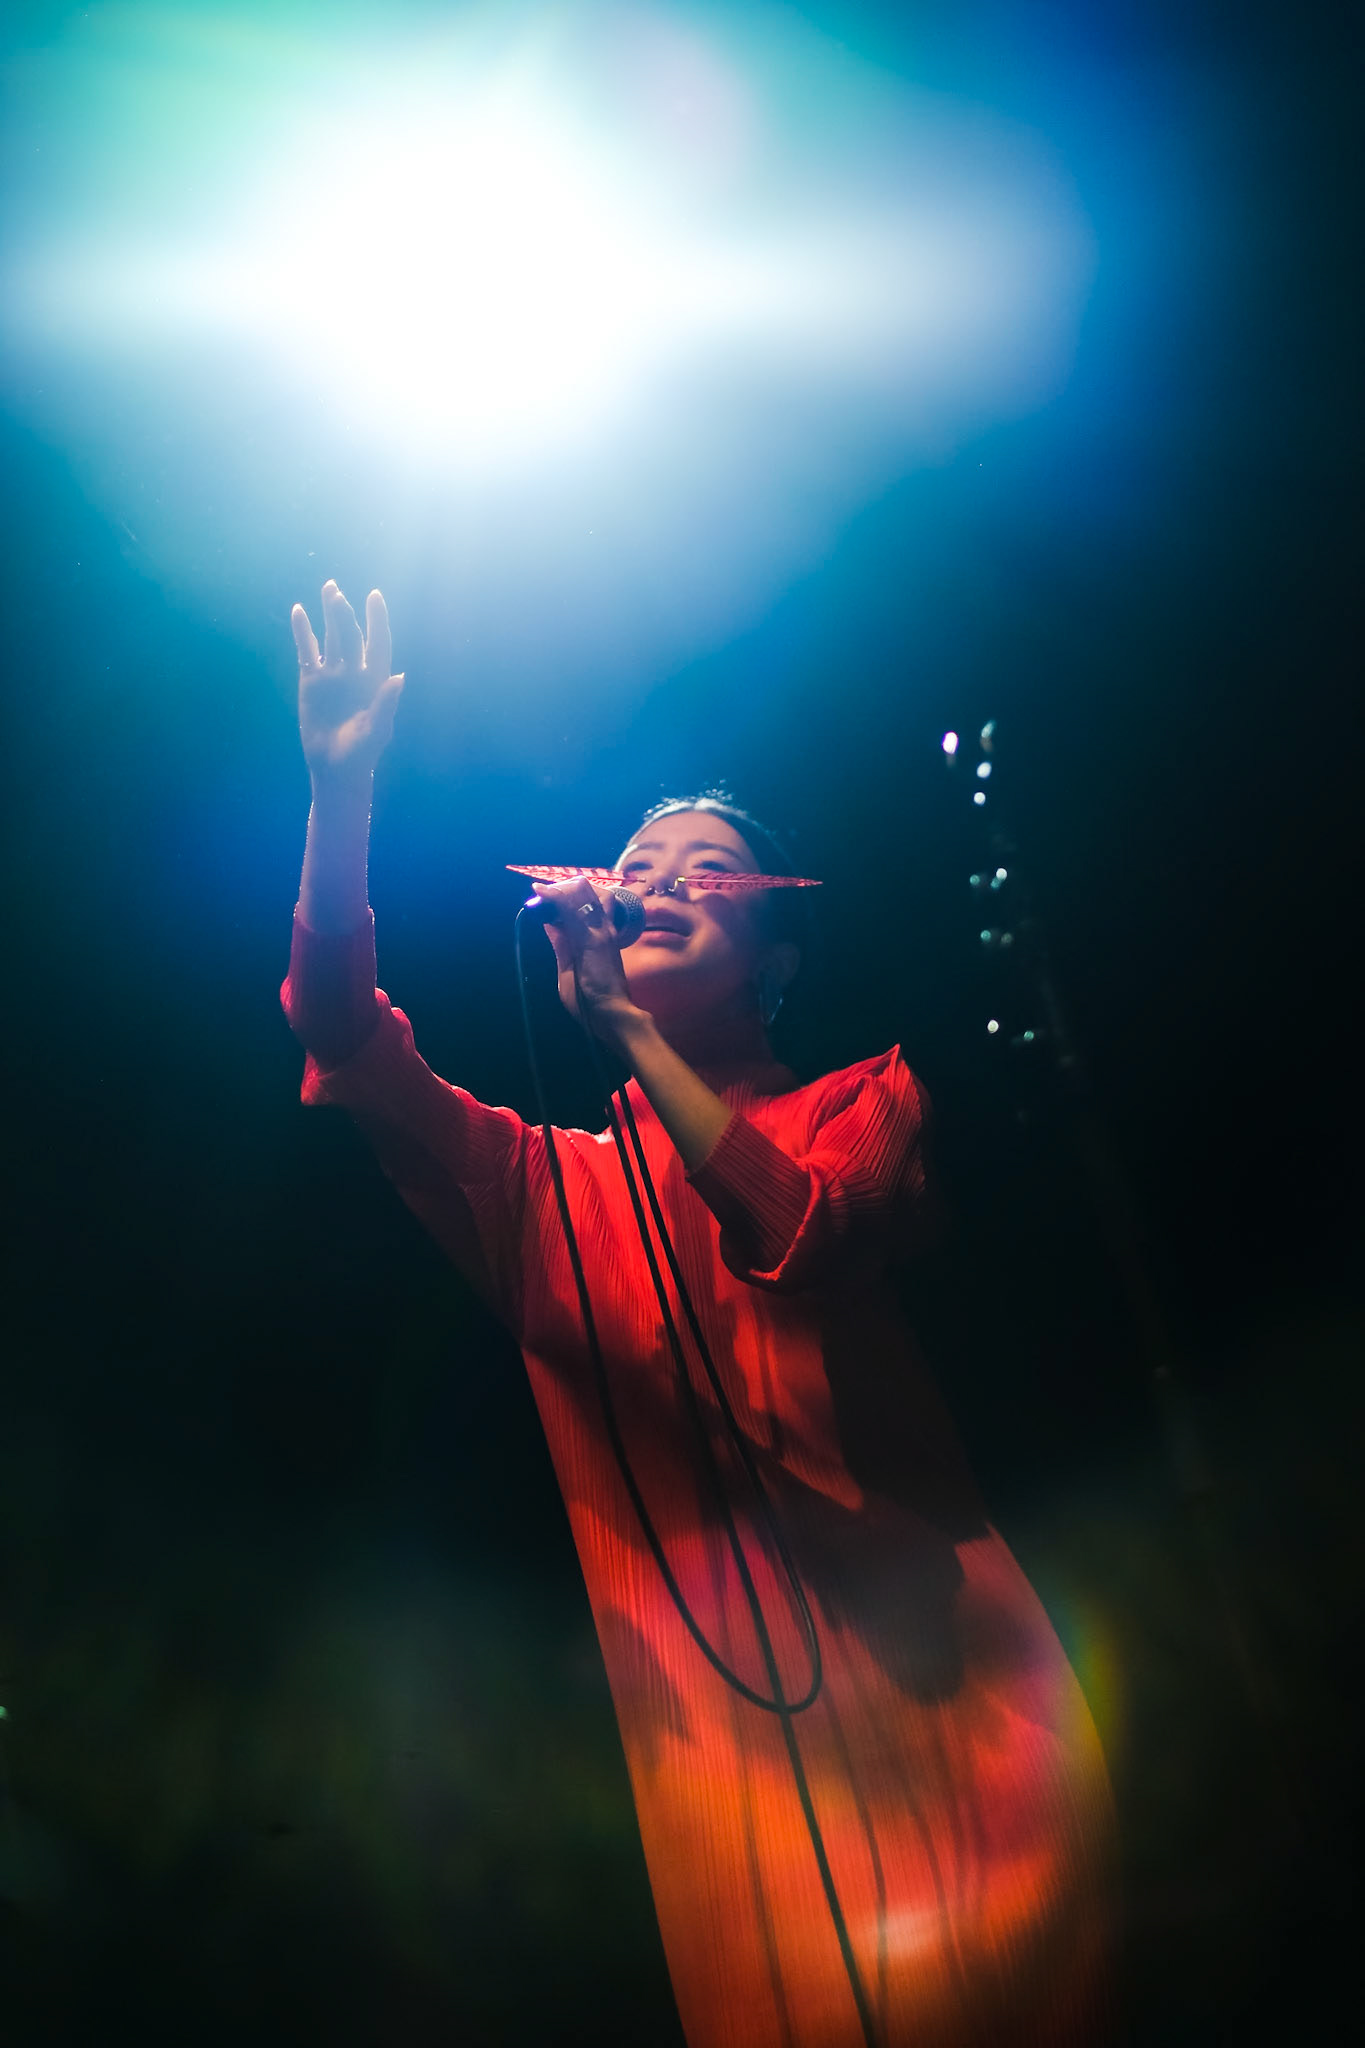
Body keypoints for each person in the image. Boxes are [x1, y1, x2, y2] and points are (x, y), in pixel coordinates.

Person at [281, 581, 1114, 2048]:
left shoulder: (868, 1100)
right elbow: (339, 1028)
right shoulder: (541, 1192)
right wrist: (341, 794)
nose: (654, 878)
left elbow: (800, 1232)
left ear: (777, 959)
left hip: (956, 1702)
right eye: (635, 863)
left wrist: (627, 1033)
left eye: (705, 867)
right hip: (735, 1771)